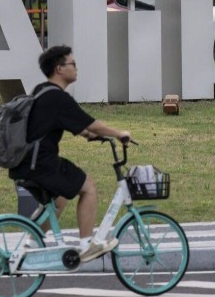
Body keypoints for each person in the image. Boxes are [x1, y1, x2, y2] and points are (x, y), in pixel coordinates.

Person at [8, 45, 133, 262]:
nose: (76, 68)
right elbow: (92, 123)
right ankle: (86, 245)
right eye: (72, 64)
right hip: (41, 163)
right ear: (59, 69)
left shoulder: (42, 90)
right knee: (88, 187)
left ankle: (28, 246)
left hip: (25, 163)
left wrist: (86, 134)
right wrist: (119, 133)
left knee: (61, 198)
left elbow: (63, 122)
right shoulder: (58, 98)